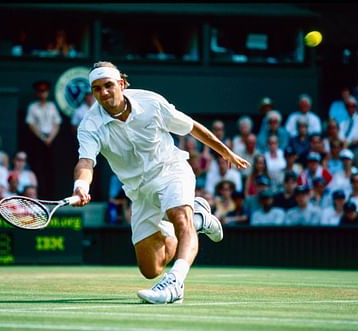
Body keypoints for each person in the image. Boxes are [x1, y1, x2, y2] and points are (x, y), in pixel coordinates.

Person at [71, 61, 250, 304]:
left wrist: (225, 152)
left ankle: (175, 282)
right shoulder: (89, 125)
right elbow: (85, 163)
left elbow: (191, 128)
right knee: (151, 269)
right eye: (96, 88)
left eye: (108, 85)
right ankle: (199, 220)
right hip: (139, 192)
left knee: (179, 217)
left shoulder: (151, 103)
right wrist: (81, 186)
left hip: (171, 171)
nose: (103, 93)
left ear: (121, 84)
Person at [25, 80, 62, 199]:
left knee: (51, 168)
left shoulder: (52, 106)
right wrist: (42, 137)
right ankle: (40, 195)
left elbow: (57, 123)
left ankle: (52, 196)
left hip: (51, 140)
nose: (42, 94)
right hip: (38, 140)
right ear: (37, 93)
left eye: (44, 91)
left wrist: (50, 138)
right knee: (39, 168)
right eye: (40, 91)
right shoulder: (33, 107)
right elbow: (31, 124)